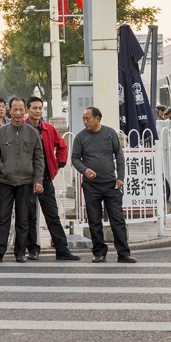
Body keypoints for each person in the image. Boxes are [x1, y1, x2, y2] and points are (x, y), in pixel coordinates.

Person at [72, 107, 136, 263]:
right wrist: (84, 170)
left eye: (88, 118)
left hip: (110, 185)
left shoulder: (109, 133)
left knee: (117, 219)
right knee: (94, 221)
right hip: (91, 186)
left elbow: (119, 156)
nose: (85, 121)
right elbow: (75, 159)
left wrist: (120, 177)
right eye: (83, 119)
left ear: (97, 119)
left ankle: (123, 253)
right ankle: (99, 252)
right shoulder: (80, 137)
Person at [0, 97, 44, 264]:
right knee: (3, 218)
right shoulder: (1, 132)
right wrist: (4, 169)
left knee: (23, 219)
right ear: (9, 110)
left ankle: (20, 252)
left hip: (26, 182)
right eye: (15, 109)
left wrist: (38, 179)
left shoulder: (32, 133)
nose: (18, 113)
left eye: (21, 109)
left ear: (25, 110)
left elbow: (39, 158)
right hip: (6, 181)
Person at [24, 97, 80, 261]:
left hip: (46, 178)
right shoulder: (22, 129)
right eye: (34, 108)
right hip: (27, 179)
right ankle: (32, 249)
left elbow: (62, 146)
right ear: (28, 109)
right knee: (29, 217)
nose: (38, 111)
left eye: (40, 108)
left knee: (52, 216)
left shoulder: (48, 128)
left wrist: (59, 163)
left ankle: (62, 249)